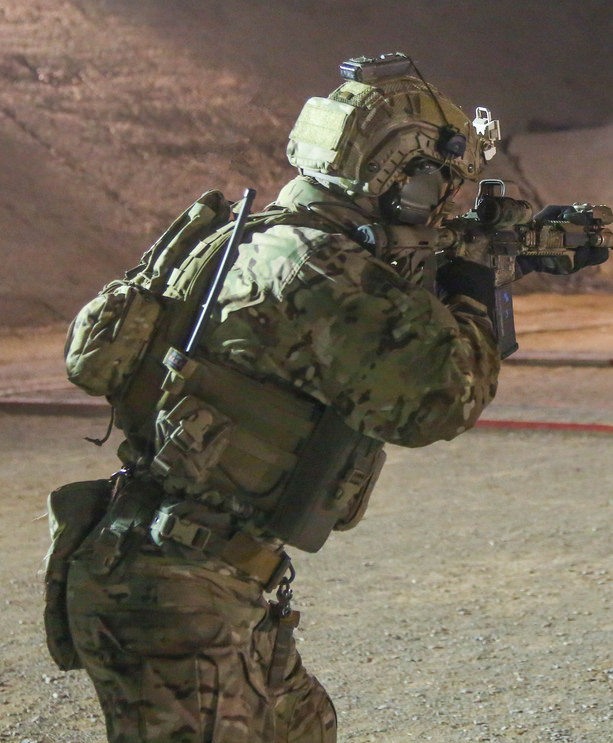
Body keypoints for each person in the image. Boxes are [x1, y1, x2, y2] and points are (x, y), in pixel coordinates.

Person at [50, 53, 509, 742]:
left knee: (305, 726)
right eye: (440, 184)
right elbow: (441, 399)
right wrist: (474, 295)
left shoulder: (265, 239)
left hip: (191, 568)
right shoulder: (315, 265)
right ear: (404, 180)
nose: (443, 204)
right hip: (174, 589)